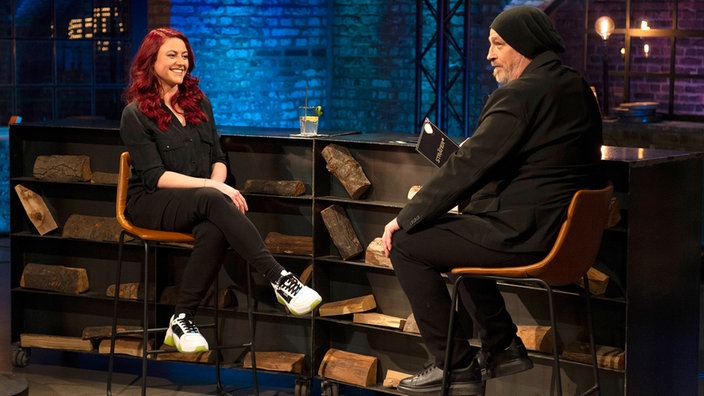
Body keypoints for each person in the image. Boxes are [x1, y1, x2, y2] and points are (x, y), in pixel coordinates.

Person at [382, 6, 603, 395]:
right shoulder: (575, 86)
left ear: (525, 46)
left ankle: (453, 365)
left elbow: (469, 165)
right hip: (560, 234)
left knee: (407, 244)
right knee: (456, 237)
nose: (489, 55)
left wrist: (407, 217)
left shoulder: (520, 94)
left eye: (498, 44)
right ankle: (502, 347)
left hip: (525, 235)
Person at [120, 27, 322, 353]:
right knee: (212, 198)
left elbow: (218, 156)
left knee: (213, 231)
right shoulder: (135, 114)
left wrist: (216, 184)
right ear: (150, 60)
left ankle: (182, 319)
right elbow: (155, 176)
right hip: (152, 202)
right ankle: (281, 279)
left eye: (184, 55)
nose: (181, 62)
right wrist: (215, 187)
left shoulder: (199, 103)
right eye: (171, 55)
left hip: (200, 201)